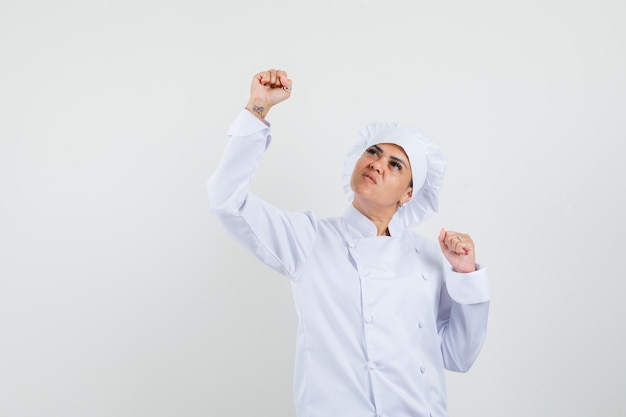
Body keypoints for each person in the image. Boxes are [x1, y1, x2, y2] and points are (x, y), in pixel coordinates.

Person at [207, 69, 491, 417]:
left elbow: (458, 356)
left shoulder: (429, 257)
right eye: (373, 152)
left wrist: (465, 275)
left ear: (408, 195)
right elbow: (226, 201)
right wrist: (258, 108)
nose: (377, 164)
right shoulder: (310, 239)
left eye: (395, 164)